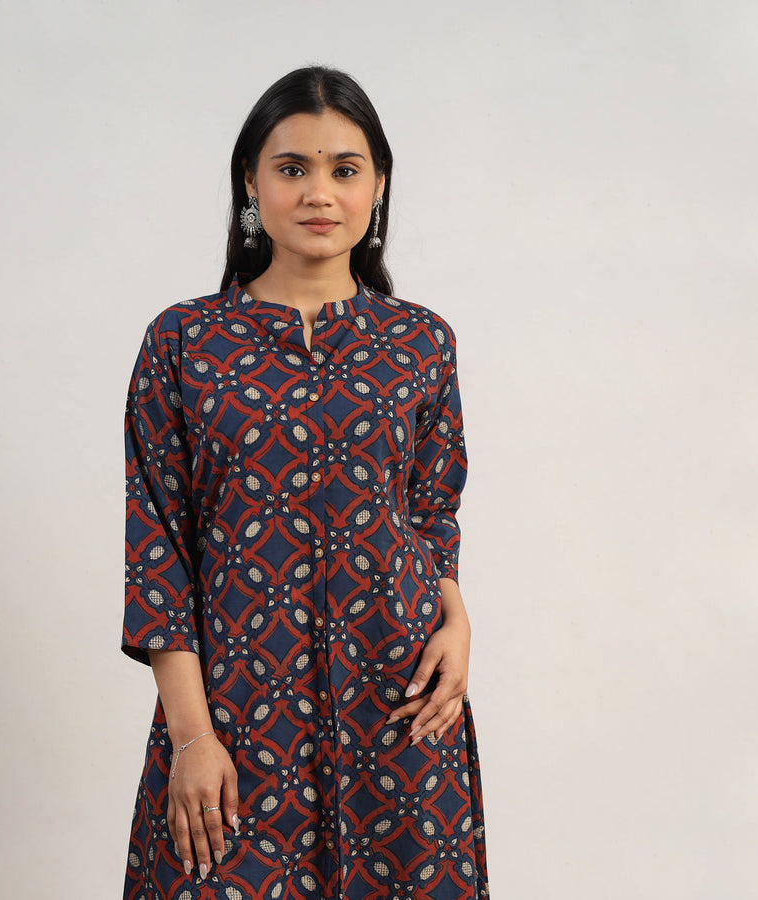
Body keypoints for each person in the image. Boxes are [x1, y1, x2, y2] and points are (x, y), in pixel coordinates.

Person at [122, 65, 489, 899]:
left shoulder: (422, 344)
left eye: (344, 168)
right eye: (292, 168)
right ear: (251, 184)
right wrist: (191, 737)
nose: (319, 192)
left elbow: (432, 513)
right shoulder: (184, 344)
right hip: (237, 714)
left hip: (398, 706)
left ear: (378, 185)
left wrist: (456, 618)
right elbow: (158, 550)